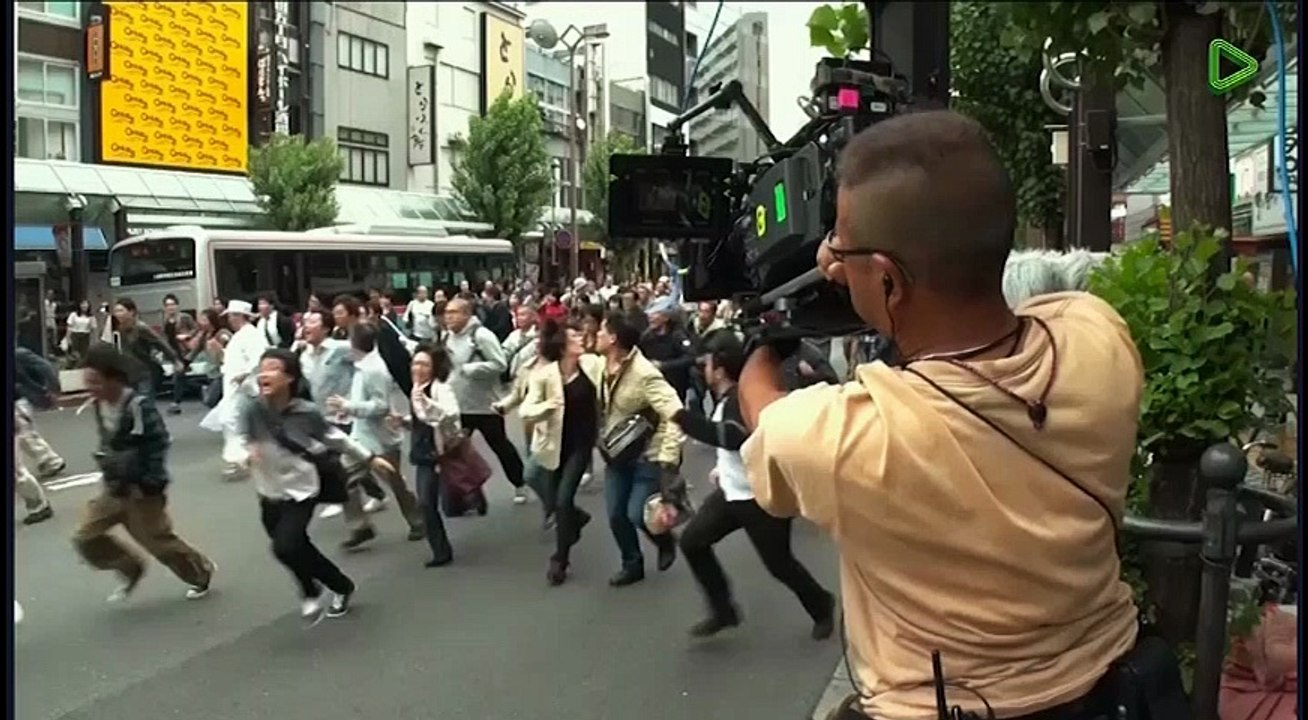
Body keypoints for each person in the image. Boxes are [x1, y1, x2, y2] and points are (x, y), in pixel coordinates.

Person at [737, 111, 1145, 719]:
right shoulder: (1099, 338)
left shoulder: (849, 437)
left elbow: (760, 402)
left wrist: (769, 332)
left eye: (841, 247)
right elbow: (1015, 313)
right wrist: (870, 282)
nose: (831, 260)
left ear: (889, 280)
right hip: (1106, 692)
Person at [674, 332, 834, 638]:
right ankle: (723, 611)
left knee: (780, 565)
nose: (702, 369)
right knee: (692, 542)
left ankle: (821, 604)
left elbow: (734, 436)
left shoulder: (739, 398)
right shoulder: (727, 399)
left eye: (706, 363)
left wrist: (682, 418)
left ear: (719, 368)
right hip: (733, 493)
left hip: (761, 497)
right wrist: (721, 469)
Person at [241, 348, 395, 624]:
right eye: (262, 367)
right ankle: (341, 586)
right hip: (268, 491)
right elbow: (244, 438)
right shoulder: (253, 409)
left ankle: (309, 589)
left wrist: (371, 460)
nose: (264, 373)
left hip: (301, 490)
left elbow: (337, 439)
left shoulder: (307, 412)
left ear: (289, 378)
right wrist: (247, 453)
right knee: (296, 547)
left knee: (285, 547)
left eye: (273, 368)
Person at [75, 343, 216, 603]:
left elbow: (158, 442)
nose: (90, 388)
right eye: (87, 381)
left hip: (143, 489)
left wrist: (150, 482)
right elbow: (108, 440)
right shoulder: (98, 404)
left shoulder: (137, 404)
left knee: (159, 542)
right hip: (115, 485)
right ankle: (131, 568)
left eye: (95, 381)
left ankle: (200, 572)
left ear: (113, 377)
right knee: (86, 536)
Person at [595, 310, 685, 587]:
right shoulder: (600, 365)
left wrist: (667, 458)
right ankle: (632, 564)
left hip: (648, 453)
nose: (595, 335)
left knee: (637, 513)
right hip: (617, 453)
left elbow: (675, 413)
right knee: (615, 515)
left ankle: (664, 539)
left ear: (612, 339)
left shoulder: (644, 373)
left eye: (601, 331)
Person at [327, 322, 425, 549]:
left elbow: (380, 406)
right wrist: (347, 410)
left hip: (382, 438)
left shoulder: (374, 369)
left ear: (355, 343)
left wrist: (350, 406)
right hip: (361, 436)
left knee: (395, 482)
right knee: (345, 478)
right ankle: (360, 526)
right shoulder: (362, 366)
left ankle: (419, 520)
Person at [520, 319, 603, 586]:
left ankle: (560, 560)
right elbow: (527, 409)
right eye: (573, 337)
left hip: (581, 444)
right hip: (555, 445)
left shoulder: (591, 364)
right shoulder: (545, 375)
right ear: (562, 345)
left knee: (564, 498)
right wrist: (547, 407)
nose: (580, 338)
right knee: (558, 501)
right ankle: (575, 521)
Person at [443, 298, 528, 505]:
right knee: (456, 451)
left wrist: (474, 369)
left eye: (453, 313)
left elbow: (500, 364)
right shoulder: (446, 337)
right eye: (446, 313)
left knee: (500, 446)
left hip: (485, 405)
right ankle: (468, 494)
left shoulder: (481, 336)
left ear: (466, 314)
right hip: (458, 404)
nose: (448, 317)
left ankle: (519, 483)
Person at [393, 343, 461, 567]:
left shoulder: (440, 389)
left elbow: (450, 415)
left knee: (452, 494)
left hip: (442, 450)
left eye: (424, 364)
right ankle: (441, 551)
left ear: (434, 368)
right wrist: (403, 421)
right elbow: (420, 422)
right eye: (415, 363)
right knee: (426, 502)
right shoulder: (415, 389)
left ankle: (471, 498)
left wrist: (427, 403)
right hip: (424, 452)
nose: (418, 368)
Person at [200, 300, 269, 482]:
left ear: (240, 316)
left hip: (243, 386)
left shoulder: (251, 335)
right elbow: (231, 360)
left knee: (233, 420)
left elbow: (258, 357)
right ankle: (241, 459)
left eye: (232, 315)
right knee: (231, 420)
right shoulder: (239, 335)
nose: (229, 319)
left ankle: (239, 460)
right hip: (233, 385)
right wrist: (220, 352)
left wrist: (245, 374)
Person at [111, 298, 183, 400]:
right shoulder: (119, 329)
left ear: (131, 312)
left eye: (121, 311)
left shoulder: (141, 328)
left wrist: (175, 360)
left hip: (145, 371)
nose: (118, 314)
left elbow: (160, 343)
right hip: (130, 372)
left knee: (144, 403)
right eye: (116, 311)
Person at [161, 294, 199, 415]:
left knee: (178, 375)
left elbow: (196, 328)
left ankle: (176, 403)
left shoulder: (184, 317)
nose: (170, 307)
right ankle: (201, 388)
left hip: (184, 350)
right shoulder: (165, 320)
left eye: (172, 304)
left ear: (177, 305)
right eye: (168, 305)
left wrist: (187, 335)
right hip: (173, 352)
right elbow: (165, 336)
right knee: (180, 377)